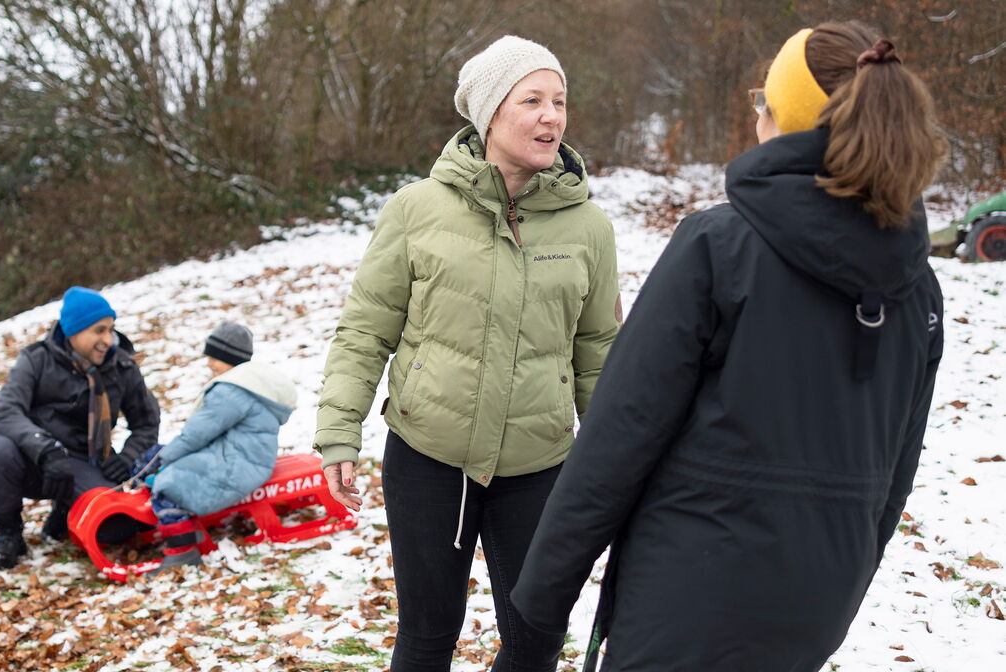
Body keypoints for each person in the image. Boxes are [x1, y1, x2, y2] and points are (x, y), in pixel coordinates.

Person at [511, 22, 948, 671]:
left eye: (762, 101)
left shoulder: (719, 249)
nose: (757, 114)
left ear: (783, 119)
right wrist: (842, 582)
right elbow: (892, 480)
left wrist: (536, 615)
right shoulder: (919, 289)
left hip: (685, 602)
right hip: (817, 608)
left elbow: (616, 442)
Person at [314, 35, 621, 671]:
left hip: (539, 463)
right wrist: (339, 432)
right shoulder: (417, 209)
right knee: (427, 635)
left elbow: (598, 350)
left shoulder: (588, 226)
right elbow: (366, 330)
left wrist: (618, 458)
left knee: (536, 638)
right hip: (429, 455)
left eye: (559, 101)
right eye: (532, 99)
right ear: (488, 112)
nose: (551, 116)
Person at [0, 286, 161, 571]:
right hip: (36, 456)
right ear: (74, 332)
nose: (107, 340)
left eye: (110, 330)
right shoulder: (37, 360)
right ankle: (8, 536)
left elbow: (147, 421)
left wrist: (128, 458)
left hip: (86, 458)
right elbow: (3, 411)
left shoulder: (122, 366)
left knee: (117, 529)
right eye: (98, 331)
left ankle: (65, 512)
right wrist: (45, 449)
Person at [130, 322, 296, 573]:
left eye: (214, 357)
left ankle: (183, 552)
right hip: (243, 458)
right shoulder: (250, 386)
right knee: (162, 460)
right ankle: (178, 525)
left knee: (169, 485)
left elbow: (195, 436)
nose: (209, 363)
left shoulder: (232, 391)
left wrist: (161, 462)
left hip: (237, 465)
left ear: (230, 358)